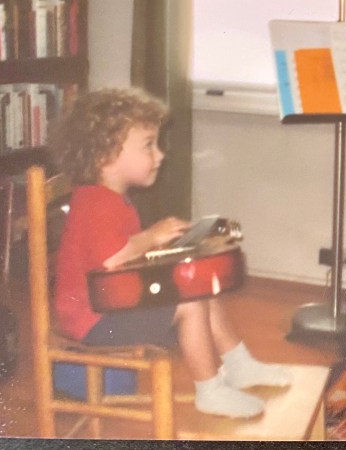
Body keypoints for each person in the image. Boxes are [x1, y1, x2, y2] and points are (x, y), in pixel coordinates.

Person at [49, 88, 292, 419]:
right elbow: (113, 259)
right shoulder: (97, 203)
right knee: (189, 303)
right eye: (148, 145)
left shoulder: (108, 198)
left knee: (200, 286)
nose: (160, 154)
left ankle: (239, 365)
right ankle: (210, 390)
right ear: (105, 155)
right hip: (93, 323)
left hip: (106, 306)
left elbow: (121, 262)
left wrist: (166, 248)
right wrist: (152, 236)